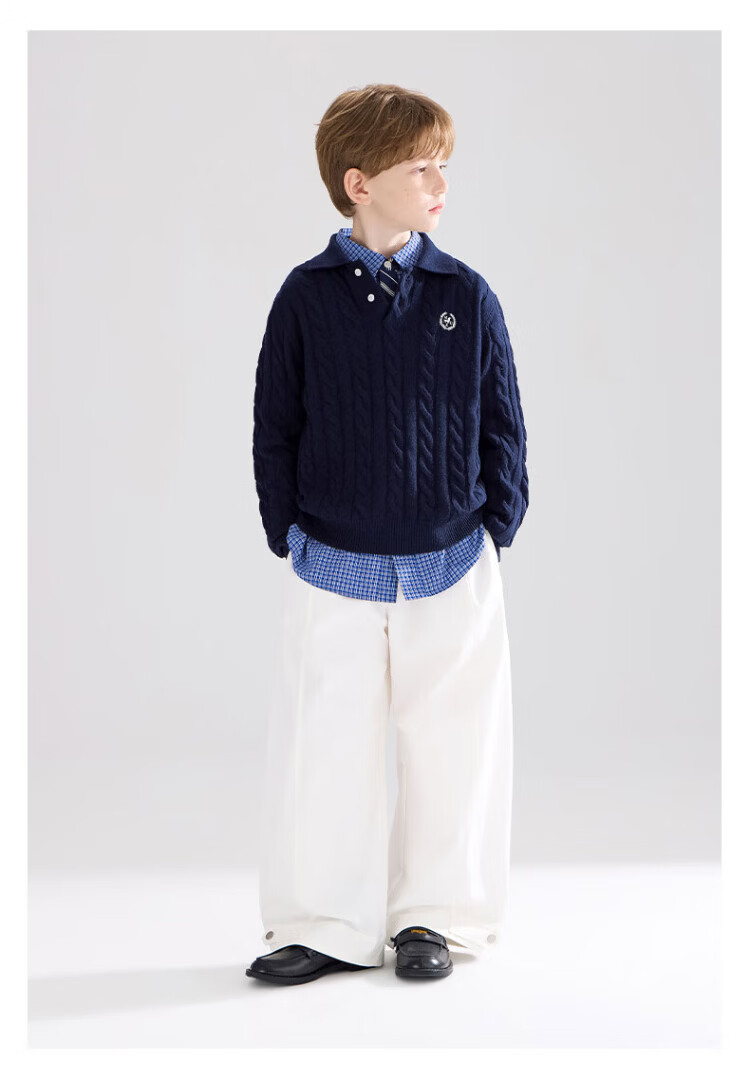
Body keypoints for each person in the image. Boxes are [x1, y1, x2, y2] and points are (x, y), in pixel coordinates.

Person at [247, 83, 529, 986]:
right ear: (359, 182)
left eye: (444, 165)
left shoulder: (466, 294)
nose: (440, 183)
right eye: (421, 168)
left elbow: (502, 421)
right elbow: (275, 423)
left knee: (453, 746)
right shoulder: (306, 298)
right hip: (332, 562)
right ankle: (322, 923)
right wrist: (287, 530)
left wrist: (495, 527)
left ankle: (433, 918)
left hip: (451, 561)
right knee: (324, 747)